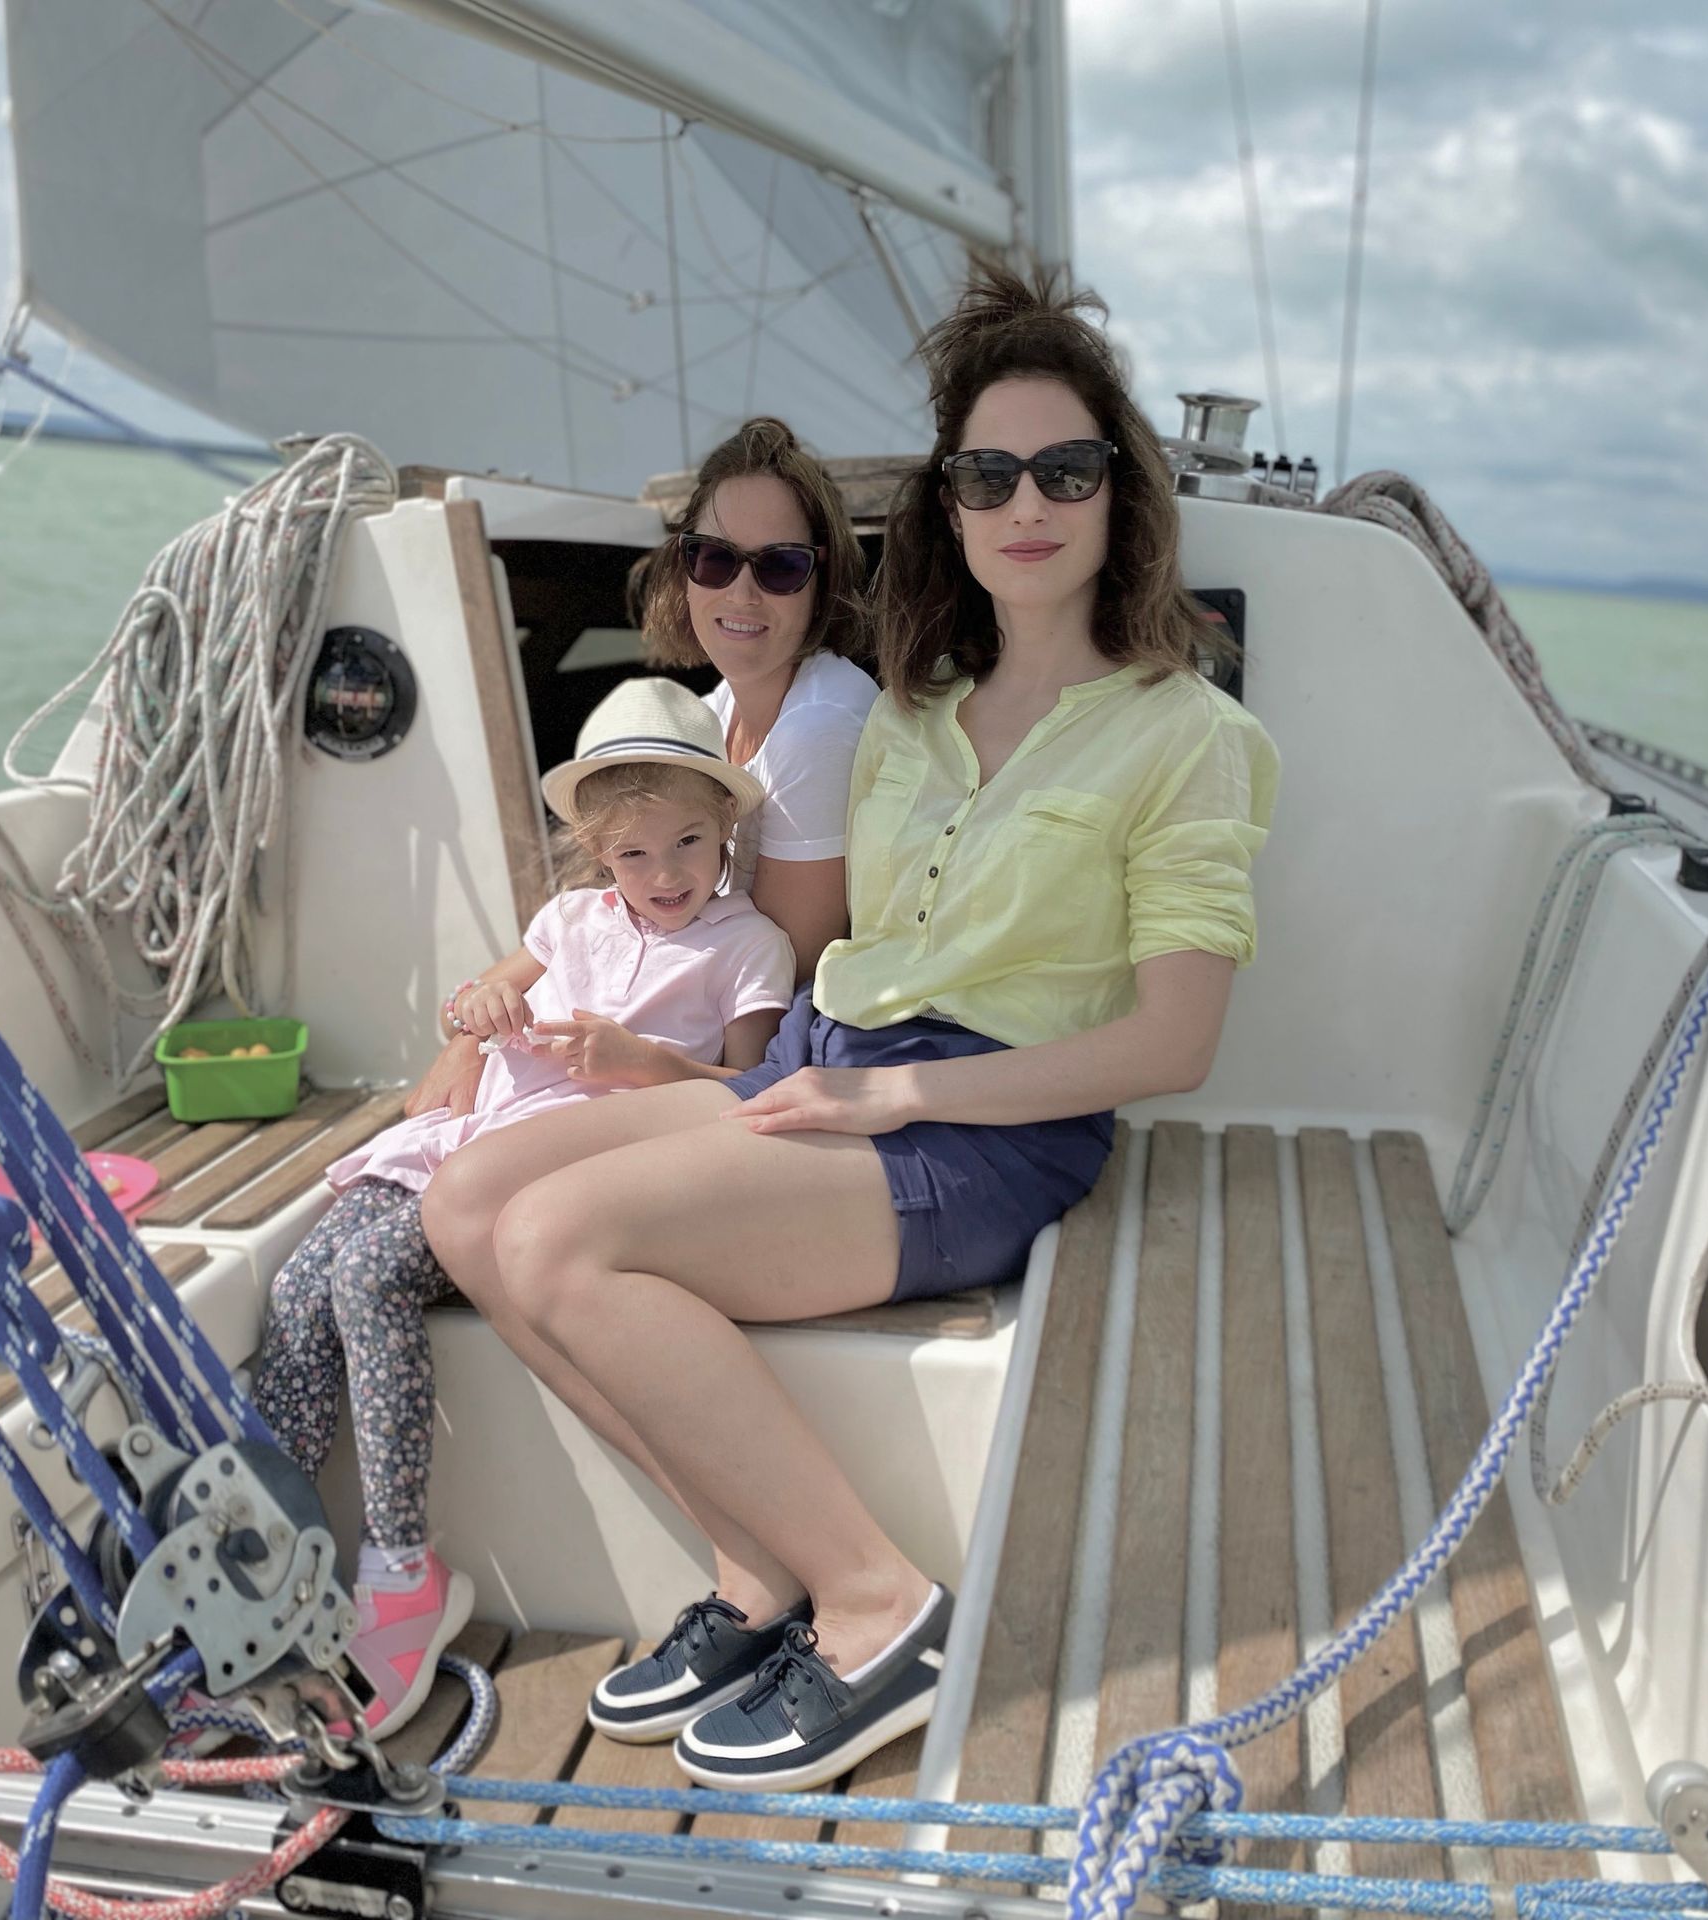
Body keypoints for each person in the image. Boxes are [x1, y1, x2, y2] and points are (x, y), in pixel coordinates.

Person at [420, 265, 1281, 1790]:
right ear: (949, 504)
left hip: (982, 1129)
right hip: (837, 1062)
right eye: (987, 472)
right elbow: (837, 947)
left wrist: (895, 1106)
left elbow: (1170, 1047)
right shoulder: (913, 713)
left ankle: (881, 1610)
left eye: (1065, 469)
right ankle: (756, 1571)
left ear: (1118, 497)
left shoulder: (1190, 736)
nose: (1027, 500)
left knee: (563, 1245)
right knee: (469, 1200)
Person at [252, 679, 796, 1735]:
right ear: (599, 852)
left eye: (687, 842)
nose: (665, 874)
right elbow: (474, 1003)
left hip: (552, 1179)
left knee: (365, 1277)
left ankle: (404, 1569)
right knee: (301, 1277)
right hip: (468, 1144)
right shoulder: (570, 922)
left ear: (728, 821)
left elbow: (747, 1087)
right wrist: (484, 1006)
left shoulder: (747, 947)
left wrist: (638, 1061)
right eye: (634, 854)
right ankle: (276, 1544)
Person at [398, 417, 874, 1128]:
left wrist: (596, 1052)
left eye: (778, 566)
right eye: (714, 560)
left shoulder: (817, 730)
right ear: (682, 567)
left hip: (727, 1080)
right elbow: (615, 925)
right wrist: (473, 1031)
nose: (741, 594)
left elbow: (776, 976)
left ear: (822, 576)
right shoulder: (713, 714)